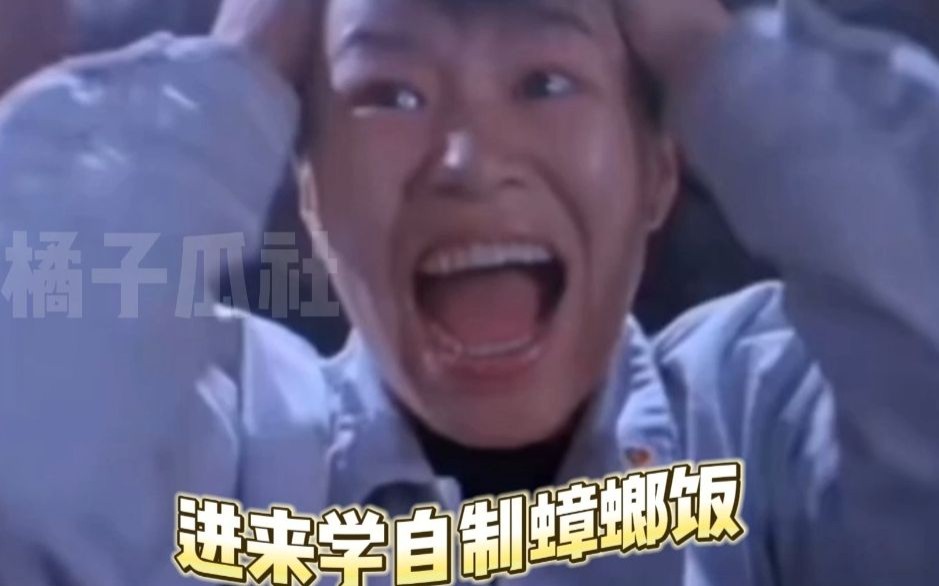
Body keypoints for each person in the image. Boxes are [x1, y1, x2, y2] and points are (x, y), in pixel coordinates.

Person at [0, 0, 936, 585]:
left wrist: (704, 51)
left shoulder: (757, 433)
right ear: (312, 199)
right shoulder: (231, 461)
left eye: (544, 82)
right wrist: (237, 60)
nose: (468, 161)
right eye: (390, 94)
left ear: (658, 172)